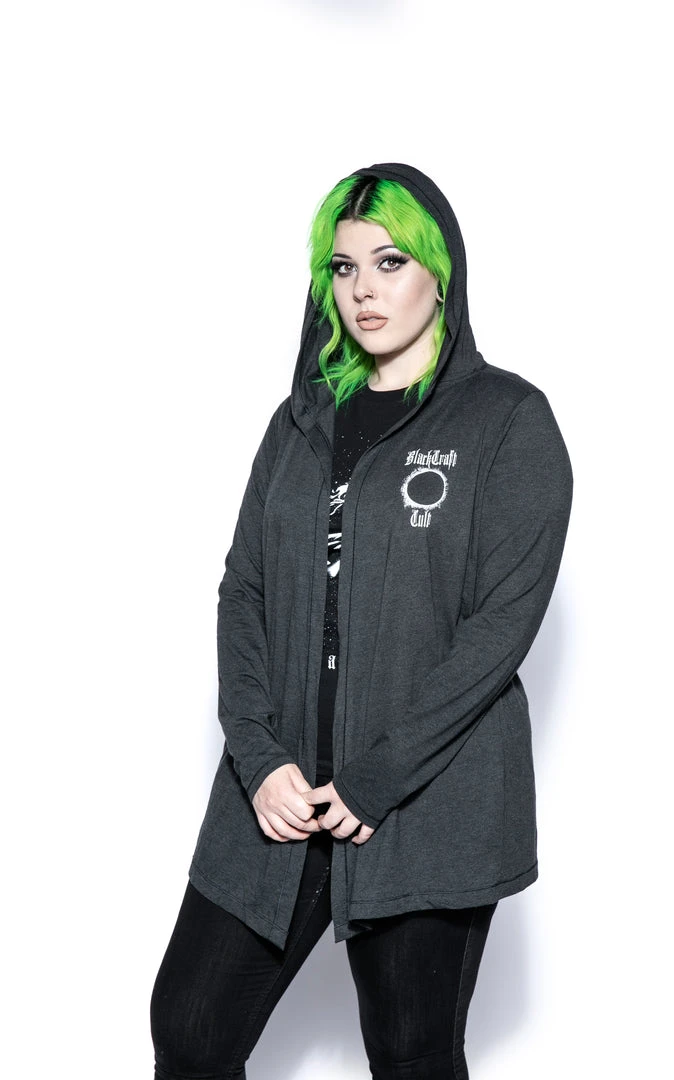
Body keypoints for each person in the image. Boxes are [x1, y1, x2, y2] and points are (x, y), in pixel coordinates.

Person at [150, 162, 573, 1080]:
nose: (363, 291)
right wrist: (257, 757)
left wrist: (378, 778)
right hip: (280, 790)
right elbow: (243, 589)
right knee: (190, 1030)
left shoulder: (507, 421)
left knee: (412, 1055)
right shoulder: (298, 421)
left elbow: (500, 627)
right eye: (343, 268)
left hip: (425, 801)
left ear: (440, 273)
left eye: (389, 262)